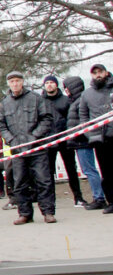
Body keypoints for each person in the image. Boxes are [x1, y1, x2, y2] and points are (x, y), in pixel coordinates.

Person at [0, 72, 55, 224]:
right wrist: (11, 140)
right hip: (17, 149)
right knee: (20, 183)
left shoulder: (35, 98)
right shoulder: (5, 103)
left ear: (22, 82)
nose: (15, 84)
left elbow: (46, 118)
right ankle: (25, 213)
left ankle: (48, 212)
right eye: (12, 81)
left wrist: (34, 136)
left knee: (44, 181)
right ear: (8, 84)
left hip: (37, 148)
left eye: (17, 81)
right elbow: (1, 124)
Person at [66, 64, 113, 213]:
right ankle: (111, 202)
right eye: (95, 73)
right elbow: (83, 117)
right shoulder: (87, 94)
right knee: (106, 172)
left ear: (106, 73)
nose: (98, 75)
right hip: (100, 139)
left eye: (100, 72)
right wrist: (90, 134)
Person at [41, 74, 85, 207]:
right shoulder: (40, 101)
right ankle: (51, 200)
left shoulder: (66, 100)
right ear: (44, 85)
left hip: (65, 140)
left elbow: (71, 118)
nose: (49, 85)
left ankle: (78, 198)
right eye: (47, 83)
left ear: (56, 85)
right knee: (49, 173)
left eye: (52, 82)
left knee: (71, 169)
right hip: (49, 141)